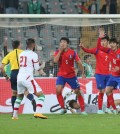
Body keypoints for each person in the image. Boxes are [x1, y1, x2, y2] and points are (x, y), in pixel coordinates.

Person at [12, 38, 48, 119]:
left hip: (19, 77)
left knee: (19, 96)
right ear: (33, 45)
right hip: (27, 78)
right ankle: (38, 112)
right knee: (41, 95)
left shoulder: (21, 54)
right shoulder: (34, 54)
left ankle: (14, 115)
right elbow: (36, 67)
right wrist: (41, 65)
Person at [80, 29, 111, 114]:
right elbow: (87, 51)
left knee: (109, 91)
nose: (103, 42)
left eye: (104, 41)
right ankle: (100, 109)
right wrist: (82, 47)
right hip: (100, 75)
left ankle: (108, 108)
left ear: (108, 42)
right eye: (102, 41)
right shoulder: (97, 50)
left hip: (109, 74)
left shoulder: (110, 51)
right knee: (101, 91)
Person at [54, 37, 87, 115]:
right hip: (61, 75)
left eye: (64, 42)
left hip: (71, 76)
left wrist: (83, 72)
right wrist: (60, 51)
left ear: (67, 44)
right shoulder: (57, 52)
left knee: (77, 92)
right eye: (61, 42)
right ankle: (63, 108)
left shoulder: (72, 52)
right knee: (58, 91)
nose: (62, 43)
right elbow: (55, 61)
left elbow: (79, 62)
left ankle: (82, 110)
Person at [98, 36, 120, 114]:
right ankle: (114, 109)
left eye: (114, 43)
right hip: (113, 76)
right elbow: (99, 47)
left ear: (117, 44)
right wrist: (100, 38)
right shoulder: (109, 51)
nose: (112, 44)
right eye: (111, 43)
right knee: (107, 91)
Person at [1, 41, 23, 112]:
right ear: (19, 45)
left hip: (13, 73)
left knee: (14, 93)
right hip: (22, 73)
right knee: (26, 92)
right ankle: (33, 102)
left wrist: (5, 76)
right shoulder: (24, 52)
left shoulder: (10, 54)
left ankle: (14, 111)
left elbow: (1, 67)